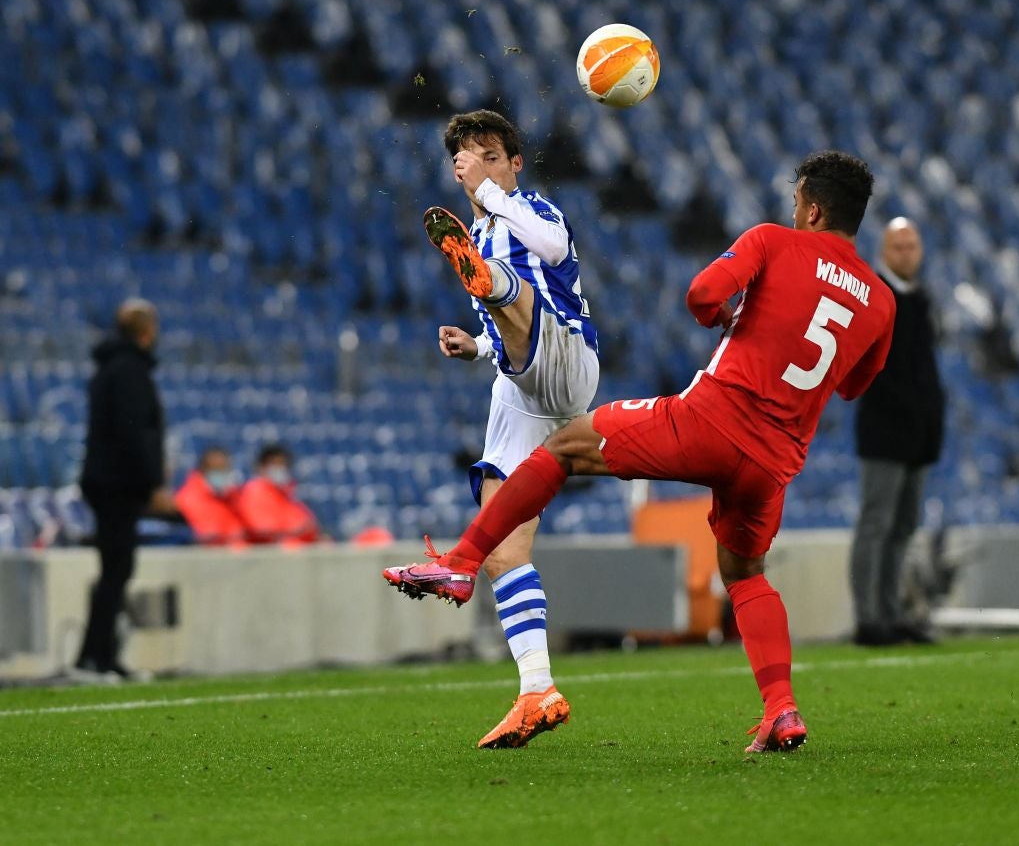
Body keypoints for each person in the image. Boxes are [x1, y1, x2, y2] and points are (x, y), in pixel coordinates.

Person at [385, 150, 895, 754]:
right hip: (773, 463)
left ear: (811, 208)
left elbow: (702, 295)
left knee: (568, 445)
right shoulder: (882, 301)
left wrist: (726, 315)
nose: (791, 212)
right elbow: (855, 384)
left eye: (795, 204)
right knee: (745, 575)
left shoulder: (774, 241)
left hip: (710, 421)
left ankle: (464, 562)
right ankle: (782, 711)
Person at [396, 109, 600, 748]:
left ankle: (493, 293)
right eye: (467, 157)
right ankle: (537, 690)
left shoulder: (535, 209)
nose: (477, 165)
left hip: (568, 360)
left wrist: (486, 194)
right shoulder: (481, 234)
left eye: (491, 155)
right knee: (503, 550)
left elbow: (554, 250)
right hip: (519, 382)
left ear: (515, 162)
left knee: (507, 289)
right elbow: (501, 333)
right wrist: (477, 347)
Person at [848, 217, 944, 646]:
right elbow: (870, 372)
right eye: (898, 247)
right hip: (885, 431)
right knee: (877, 524)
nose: (906, 254)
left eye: (911, 246)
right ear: (884, 252)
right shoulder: (874, 296)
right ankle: (869, 617)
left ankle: (890, 611)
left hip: (917, 433)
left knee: (902, 525)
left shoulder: (919, 299)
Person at [74, 298, 170, 681]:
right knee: (116, 568)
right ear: (147, 331)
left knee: (115, 568)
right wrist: (152, 484)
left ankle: (102, 656)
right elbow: (134, 433)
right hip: (118, 484)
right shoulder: (130, 371)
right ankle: (93, 659)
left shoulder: (111, 368)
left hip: (107, 481)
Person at [235, 443, 320, 545]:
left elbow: (308, 524)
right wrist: (296, 531)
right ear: (262, 467)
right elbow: (262, 530)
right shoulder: (254, 492)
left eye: (282, 464)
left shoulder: (287, 493)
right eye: (275, 464)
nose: (280, 468)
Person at [174, 447, 247, 545]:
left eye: (224, 469)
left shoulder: (233, 496)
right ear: (202, 469)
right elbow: (210, 537)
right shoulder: (188, 499)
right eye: (216, 469)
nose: (221, 474)